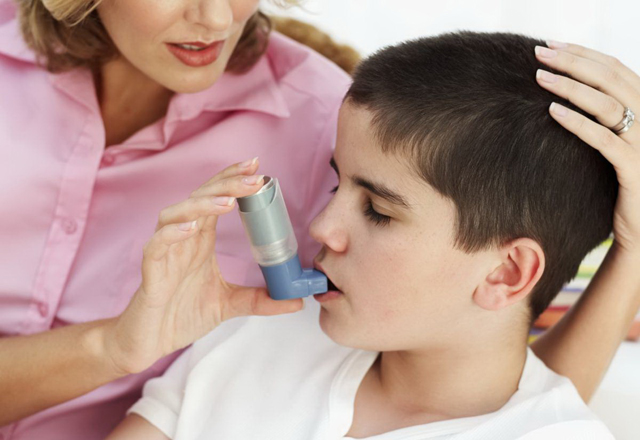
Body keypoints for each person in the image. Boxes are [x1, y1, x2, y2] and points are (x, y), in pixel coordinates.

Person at [0, 0, 638, 438]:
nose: (215, 17)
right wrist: (115, 346)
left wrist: (633, 248)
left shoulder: (327, 120)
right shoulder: (245, 353)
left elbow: (494, 375)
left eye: (375, 210)